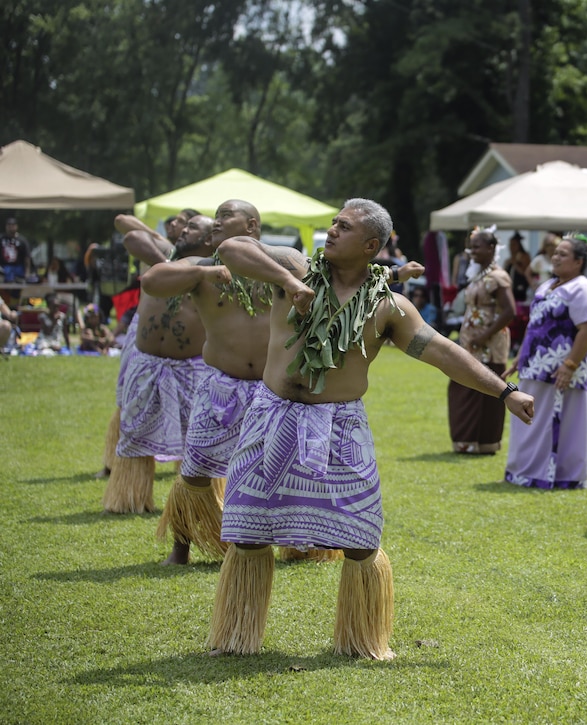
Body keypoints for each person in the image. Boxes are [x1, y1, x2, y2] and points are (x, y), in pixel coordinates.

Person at [208, 198, 534, 658]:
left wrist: (506, 392)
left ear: (371, 245)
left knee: (360, 540)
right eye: (334, 223)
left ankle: (360, 640)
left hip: (340, 426)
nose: (332, 231)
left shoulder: (387, 307)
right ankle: (237, 637)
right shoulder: (294, 270)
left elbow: (443, 353)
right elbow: (232, 248)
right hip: (271, 415)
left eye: (344, 227)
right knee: (249, 534)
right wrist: (286, 282)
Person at [137, 199, 266, 565]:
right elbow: (151, 280)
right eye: (216, 216)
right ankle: (182, 548)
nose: (216, 222)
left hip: (273, 391)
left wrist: (394, 276)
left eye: (227, 216)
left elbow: (330, 277)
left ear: (252, 226)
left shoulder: (280, 263)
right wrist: (205, 276)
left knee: (285, 470)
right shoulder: (200, 267)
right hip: (219, 387)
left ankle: (303, 544)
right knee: (194, 471)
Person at [100, 214, 214, 514]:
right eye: (183, 226)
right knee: (136, 430)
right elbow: (130, 236)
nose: (183, 229)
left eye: (191, 228)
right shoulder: (164, 254)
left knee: (198, 439)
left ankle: (200, 505)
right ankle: (130, 498)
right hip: (147, 363)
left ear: (208, 240)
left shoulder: (215, 270)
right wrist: (168, 262)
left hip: (191, 368)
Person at [504, 234, 587, 490]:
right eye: (555, 253)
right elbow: (534, 325)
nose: (555, 258)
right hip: (534, 365)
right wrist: (520, 357)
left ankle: (560, 475)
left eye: (562, 254)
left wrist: (569, 365)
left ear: (579, 262)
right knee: (529, 420)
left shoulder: (583, 288)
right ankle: (524, 471)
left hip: (562, 368)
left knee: (559, 421)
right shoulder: (546, 285)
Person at [448, 228, 516, 454]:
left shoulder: (498, 277)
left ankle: (484, 443)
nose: (472, 251)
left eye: (477, 246)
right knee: (464, 386)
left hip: (488, 344)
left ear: (491, 248)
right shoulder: (477, 274)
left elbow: (509, 311)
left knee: (485, 389)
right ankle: (465, 441)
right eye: (471, 246)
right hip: (470, 341)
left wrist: (484, 335)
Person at [1, 217, 33, 282]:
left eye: (12, 225)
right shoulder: (1, 239)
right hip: (4, 267)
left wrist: (27, 271)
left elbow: (27, 257)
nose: (10, 228)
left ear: (16, 226)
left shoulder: (22, 240)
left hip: (19, 267)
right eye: (9, 225)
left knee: (19, 285)